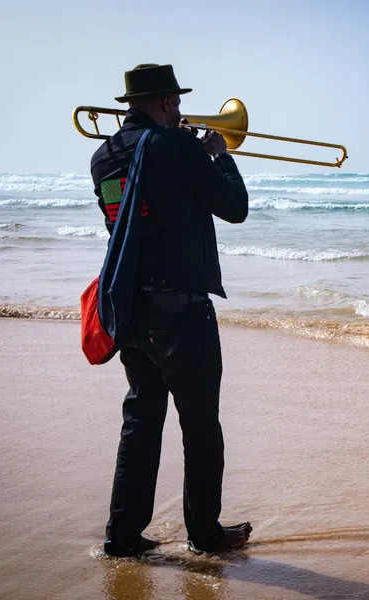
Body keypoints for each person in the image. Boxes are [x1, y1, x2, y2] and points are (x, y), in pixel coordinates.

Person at [90, 64, 251, 557]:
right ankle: (204, 534)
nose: (181, 111)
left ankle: (123, 534)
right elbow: (235, 207)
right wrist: (219, 158)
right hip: (182, 313)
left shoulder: (103, 156)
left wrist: (192, 160)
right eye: (177, 103)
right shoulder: (177, 147)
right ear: (163, 102)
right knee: (201, 426)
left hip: (131, 311)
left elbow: (139, 211)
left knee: (140, 422)